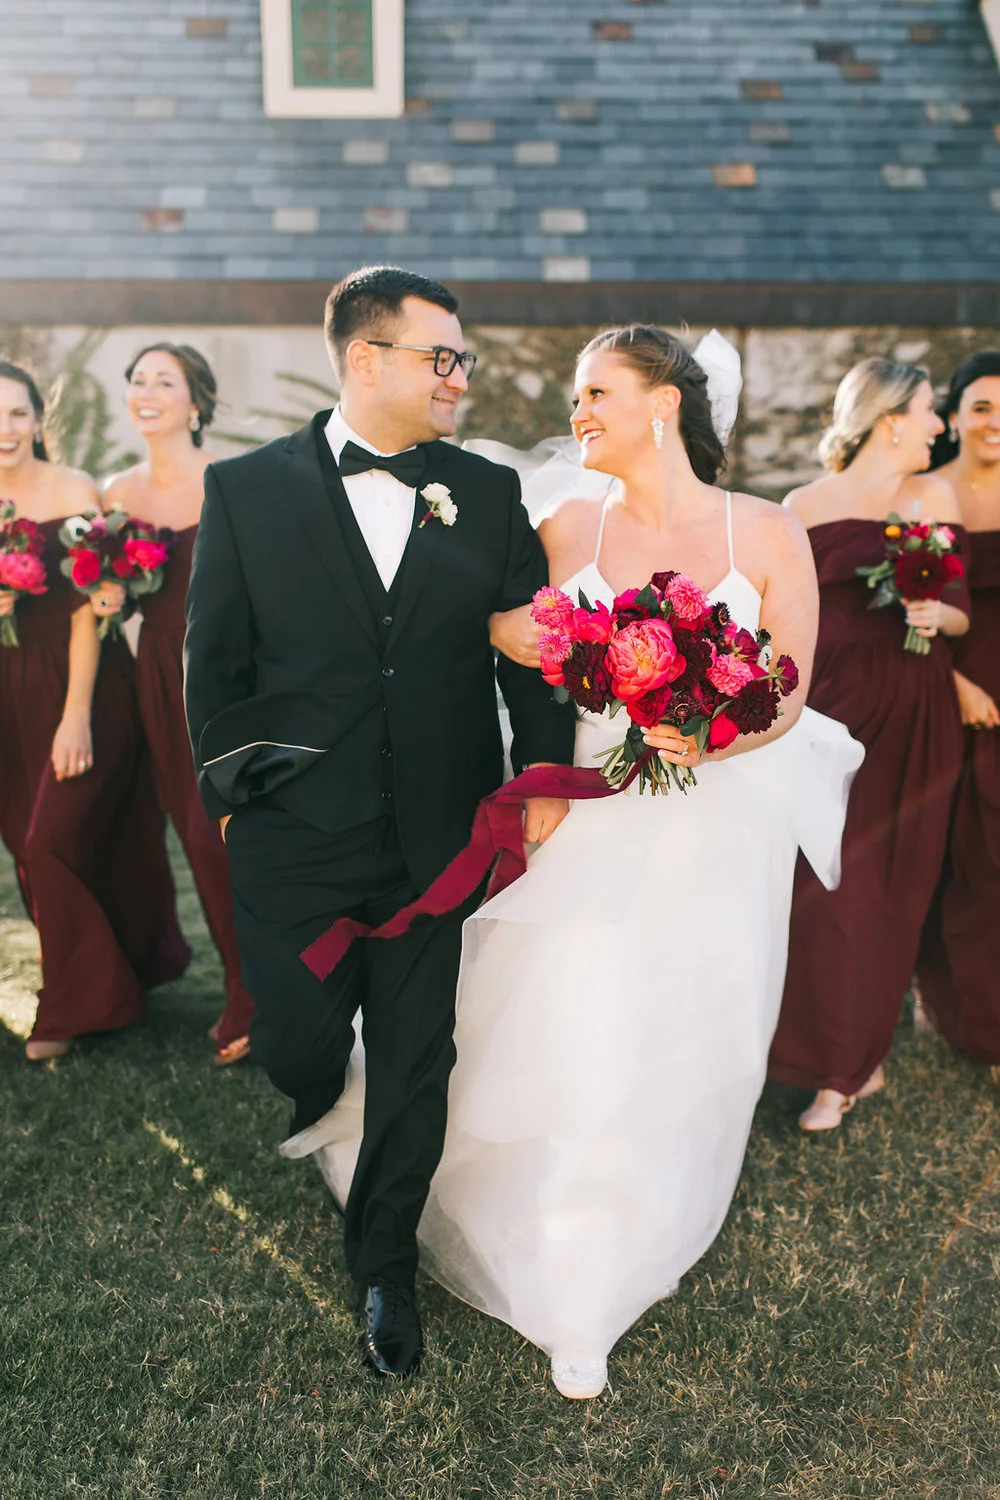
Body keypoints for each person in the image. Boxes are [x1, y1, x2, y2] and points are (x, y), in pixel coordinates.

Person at [295, 325, 862, 1399]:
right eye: (574, 394)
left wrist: (717, 731)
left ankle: (642, 1223)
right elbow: (501, 630)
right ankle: (576, 1288)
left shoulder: (767, 530)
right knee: (580, 1028)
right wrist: (566, 648)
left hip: (715, 829)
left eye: (596, 390)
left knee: (690, 1038)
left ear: (662, 403)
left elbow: (787, 682)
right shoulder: (565, 522)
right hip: (588, 812)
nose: (577, 411)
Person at [183, 266, 575, 1379]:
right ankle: (315, 1088)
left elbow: (533, 645)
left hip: (438, 836)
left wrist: (543, 770)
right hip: (294, 834)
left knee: (414, 1058)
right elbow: (211, 666)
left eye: (462, 358)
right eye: (438, 356)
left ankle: (383, 1269)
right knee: (302, 1040)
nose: (460, 376)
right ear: (365, 358)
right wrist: (238, 797)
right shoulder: (248, 490)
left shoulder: (489, 494)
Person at [768, 358, 969, 1129]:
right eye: (927, 410)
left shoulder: (933, 495)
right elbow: (787, 612)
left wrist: (936, 616)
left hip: (916, 706)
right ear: (889, 419)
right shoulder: (803, 503)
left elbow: (960, 610)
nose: (938, 426)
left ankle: (850, 1069)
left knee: (887, 891)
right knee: (818, 887)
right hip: (827, 709)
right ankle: (812, 1049)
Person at [0, 360, 189, 1059]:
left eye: (18, 413)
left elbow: (91, 611)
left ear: (38, 420)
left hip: (84, 686)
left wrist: (75, 715)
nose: (6, 429)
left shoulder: (74, 490)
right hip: (8, 693)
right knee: (30, 847)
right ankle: (118, 970)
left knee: (52, 837)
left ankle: (72, 1006)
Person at [91, 343, 255, 1065]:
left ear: (196, 402)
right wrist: (108, 596)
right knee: (194, 838)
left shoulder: (230, 482)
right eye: (138, 380)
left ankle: (265, 997)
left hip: (226, 672)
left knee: (226, 834)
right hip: (155, 673)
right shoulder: (115, 494)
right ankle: (240, 990)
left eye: (166, 380)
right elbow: (106, 597)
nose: (147, 391)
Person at [915, 352, 1000, 1064]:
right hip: (953, 687)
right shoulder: (925, 493)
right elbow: (910, 606)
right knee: (956, 857)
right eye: (981, 407)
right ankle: (966, 1018)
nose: (994, 422)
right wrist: (952, 683)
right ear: (953, 417)